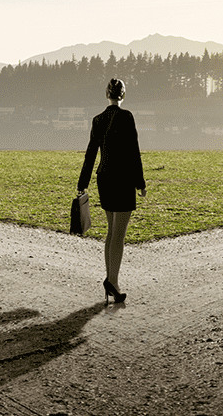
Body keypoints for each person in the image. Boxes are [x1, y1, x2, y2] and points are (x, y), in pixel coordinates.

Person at [77, 78, 146, 304]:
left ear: (106, 95)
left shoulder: (98, 120)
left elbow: (90, 154)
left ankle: (111, 280)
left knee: (111, 232)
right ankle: (113, 283)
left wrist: (82, 182)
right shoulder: (126, 117)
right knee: (119, 235)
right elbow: (134, 151)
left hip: (103, 178)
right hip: (123, 179)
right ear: (123, 95)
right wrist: (140, 183)